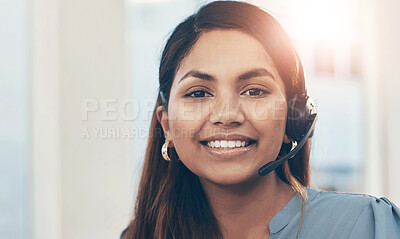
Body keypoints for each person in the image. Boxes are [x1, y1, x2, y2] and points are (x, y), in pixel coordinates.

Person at [121, 1, 400, 238]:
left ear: (295, 119)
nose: (226, 115)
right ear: (167, 126)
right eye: (198, 93)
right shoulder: (140, 234)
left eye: (254, 91)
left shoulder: (363, 226)